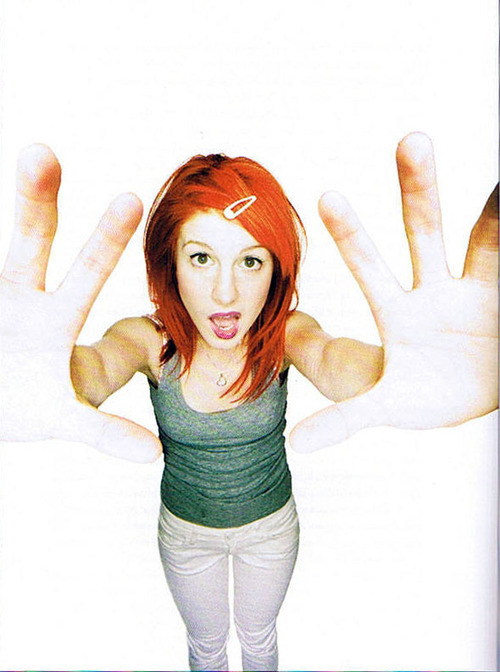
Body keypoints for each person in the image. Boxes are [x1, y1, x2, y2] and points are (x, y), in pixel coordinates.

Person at [0, 133, 497, 671]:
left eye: (251, 262)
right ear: (170, 264)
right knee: (206, 646)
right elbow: (93, 369)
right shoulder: (146, 339)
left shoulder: (287, 334)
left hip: (271, 529)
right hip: (185, 534)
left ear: (276, 269)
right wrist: (29, 375)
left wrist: (405, 374)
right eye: (201, 258)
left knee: (258, 640)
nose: (226, 293)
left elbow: (333, 360)